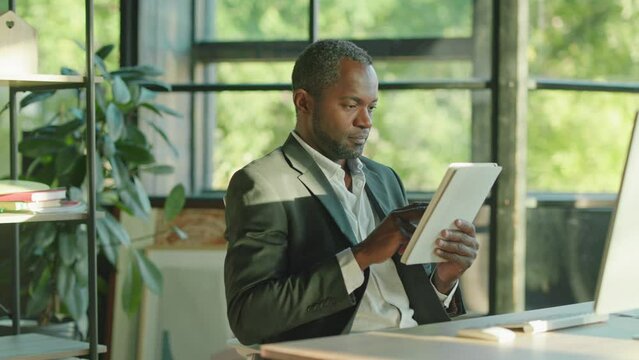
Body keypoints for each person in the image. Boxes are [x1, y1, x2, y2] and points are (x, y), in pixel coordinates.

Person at [224, 39, 479, 345]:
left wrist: (444, 277)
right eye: (350, 105)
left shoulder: (385, 179)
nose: (366, 121)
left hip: (413, 345)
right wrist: (360, 257)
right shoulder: (261, 183)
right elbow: (250, 318)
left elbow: (410, 304)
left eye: (371, 107)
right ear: (303, 102)